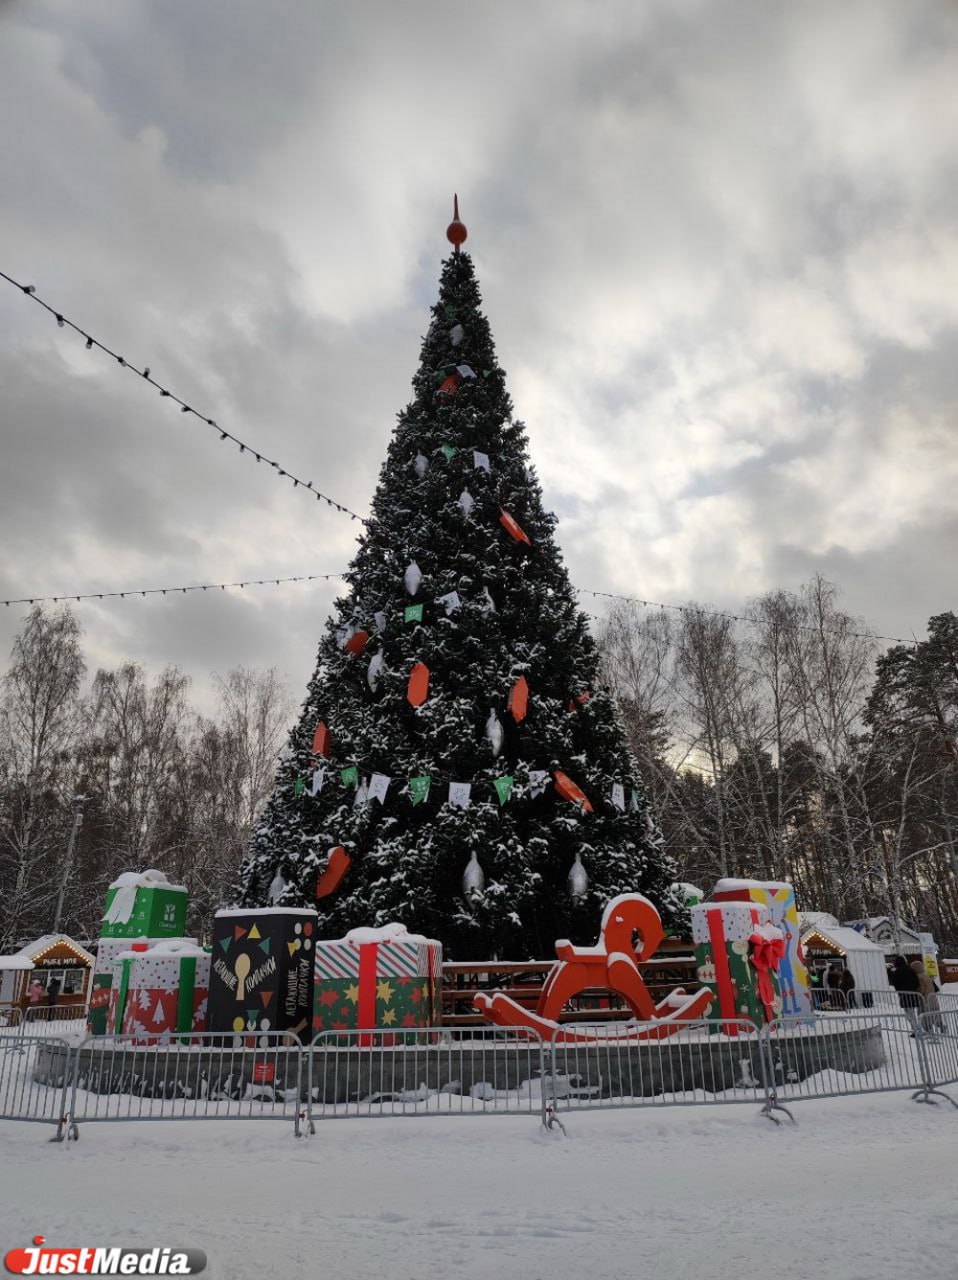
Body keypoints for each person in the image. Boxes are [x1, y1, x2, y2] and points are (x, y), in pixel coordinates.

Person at [888, 955, 921, 1030]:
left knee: (909, 1014)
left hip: (904, 996)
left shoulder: (898, 972)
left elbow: (896, 983)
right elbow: (917, 983)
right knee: (911, 1013)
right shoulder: (911, 970)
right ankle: (916, 1028)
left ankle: (916, 1029)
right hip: (912, 994)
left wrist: (890, 973)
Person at [911, 959, 942, 1031]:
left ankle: (928, 1028)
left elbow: (922, 988)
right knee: (934, 1013)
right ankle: (940, 1025)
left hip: (924, 999)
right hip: (932, 997)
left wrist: (917, 992)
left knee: (924, 1014)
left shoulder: (918, 976)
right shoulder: (926, 975)